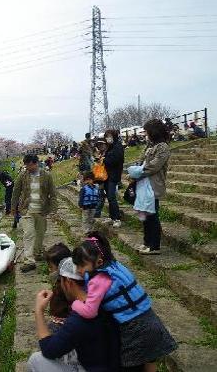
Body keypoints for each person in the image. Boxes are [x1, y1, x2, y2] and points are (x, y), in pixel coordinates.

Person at [71, 233, 177, 371]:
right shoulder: (116, 266)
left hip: (135, 329)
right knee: (150, 361)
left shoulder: (99, 280)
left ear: (99, 262)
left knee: (129, 367)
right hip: (151, 320)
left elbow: (90, 311)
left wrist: (76, 302)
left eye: (81, 266)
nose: (79, 270)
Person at [27, 257, 121, 372]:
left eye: (61, 280)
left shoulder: (80, 318)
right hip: (111, 363)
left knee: (36, 359)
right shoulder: (104, 299)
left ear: (68, 282)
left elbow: (48, 350)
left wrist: (39, 311)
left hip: (93, 367)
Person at [11, 154, 57, 273]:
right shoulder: (23, 176)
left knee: (40, 234)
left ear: (36, 163)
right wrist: (13, 207)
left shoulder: (47, 176)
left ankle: (37, 253)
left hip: (42, 210)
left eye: (29, 165)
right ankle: (29, 261)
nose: (27, 167)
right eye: (26, 165)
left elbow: (53, 194)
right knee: (29, 234)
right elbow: (16, 192)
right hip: (27, 210)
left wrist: (54, 210)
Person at [134, 119, 171, 255]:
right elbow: (141, 160)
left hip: (153, 185)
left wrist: (138, 172)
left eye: (147, 131)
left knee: (152, 215)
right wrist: (138, 168)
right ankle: (147, 242)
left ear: (153, 132)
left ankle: (154, 245)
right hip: (144, 184)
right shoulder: (150, 145)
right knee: (145, 214)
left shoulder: (163, 147)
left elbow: (154, 166)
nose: (145, 134)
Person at [94, 129, 124, 228]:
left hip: (113, 175)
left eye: (109, 136)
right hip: (107, 175)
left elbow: (115, 160)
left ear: (114, 136)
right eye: (106, 136)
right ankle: (112, 217)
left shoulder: (118, 146)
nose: (108, 138)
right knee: (109, 197)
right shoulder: (110, 146)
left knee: (111, 197)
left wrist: (105, 159)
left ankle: (117, 218)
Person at [45, 244, 72, 333]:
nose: (49, 270)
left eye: (51, 267)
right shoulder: (61, 281)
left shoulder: (65, 284)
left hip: (63, 321)